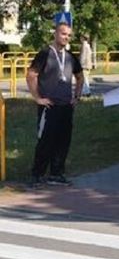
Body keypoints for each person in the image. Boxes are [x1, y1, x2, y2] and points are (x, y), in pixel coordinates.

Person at [26, 22, 84, 187]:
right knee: (46, 141)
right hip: (49, 106)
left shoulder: (70, 56)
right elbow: (31, 75)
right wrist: (38, 98)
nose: (66, 37)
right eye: (63, 33)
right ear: (56, 34)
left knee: (63, 141)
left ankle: (56, 174)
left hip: (66, 106)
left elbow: (80, 77)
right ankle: (37, 175)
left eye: (69, 35)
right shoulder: (45, 54)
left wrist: (77, 96)